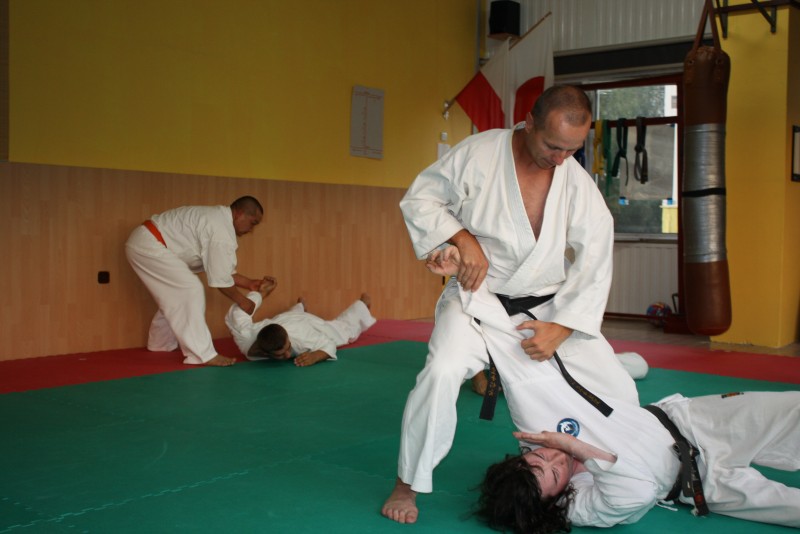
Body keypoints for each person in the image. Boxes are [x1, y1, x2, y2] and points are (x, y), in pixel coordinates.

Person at [382, 85, 639, 524]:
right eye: (553, 146)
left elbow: (595, 255)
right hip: (477, 299)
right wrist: (462, 240)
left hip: (548, 306)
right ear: (529, 122)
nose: (561, 158)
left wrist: (563, 327)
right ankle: (408, 483)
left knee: (619, 388)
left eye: (572, 150)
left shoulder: (574, 180)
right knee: (442, 371)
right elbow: (420, 199)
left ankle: (628, 466)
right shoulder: (479, 154)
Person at [431, 268, 800, 531]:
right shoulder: (577, 506)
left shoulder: (534, 428)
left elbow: (514, 360)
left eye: (538, 458)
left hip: (693, 423)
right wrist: (576, 447)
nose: (554, 457)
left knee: (793, 411)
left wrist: (470, 285)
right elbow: (635, 493)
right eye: (555, 474)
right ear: (556, 499)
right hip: (702, 484)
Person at [126, 196, 271, 367]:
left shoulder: (219, 221)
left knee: (176, 295)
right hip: (149, 244)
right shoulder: (220, 230)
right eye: (253, 223)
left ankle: (160, 344)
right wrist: (243, 301)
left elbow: (222, 271)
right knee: (190, 289)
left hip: (146, 242)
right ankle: (203, 354)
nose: (251, 229)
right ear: (239, 214)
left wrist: (249, 284)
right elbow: (220, 280)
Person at [224, 278, 377, 366]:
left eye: (288, 347)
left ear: (288, 338)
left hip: (304, 323)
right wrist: (260, 294)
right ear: (264, 352)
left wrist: (315, 356)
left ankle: (362, 305)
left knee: (342, 333)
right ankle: (300, 306)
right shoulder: (245, 336)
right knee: (291, 314)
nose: (288, 354)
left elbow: (328, 344)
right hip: (285, 319)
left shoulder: (302, 338)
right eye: (281, 355)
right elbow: (239, 312)